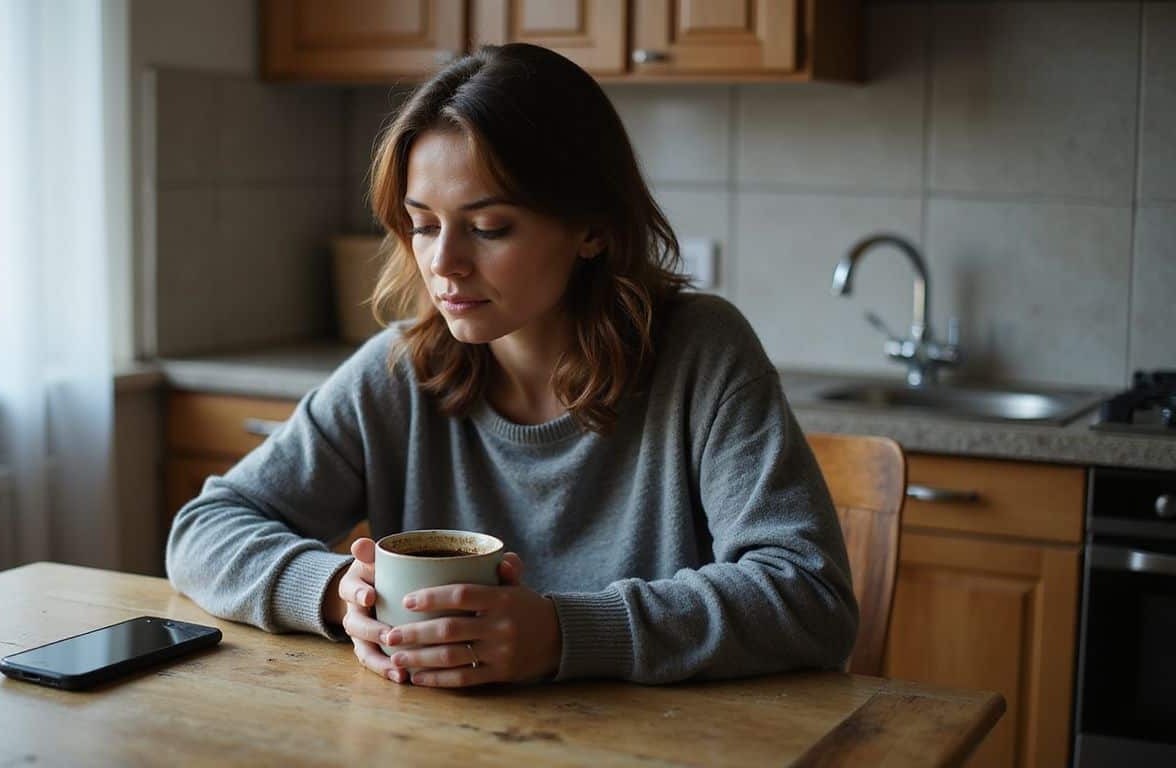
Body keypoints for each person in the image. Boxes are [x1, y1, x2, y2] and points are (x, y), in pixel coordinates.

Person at [166, 43, 857, 688]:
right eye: (424, 223)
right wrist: (334, 591)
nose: (443, 264)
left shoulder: (701, 353)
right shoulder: (400, 370)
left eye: (489, 227)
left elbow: (810, 595)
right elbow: (204, 529)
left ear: (592, 227)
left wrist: (565, 633)